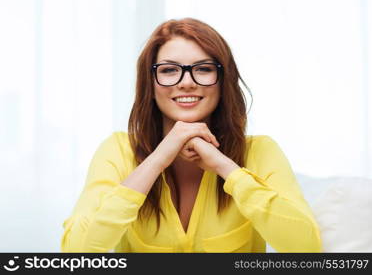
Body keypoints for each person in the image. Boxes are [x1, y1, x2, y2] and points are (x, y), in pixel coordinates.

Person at [61, 18, 322, 253]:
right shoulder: (118, 149)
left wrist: (225, 167)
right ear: (149, 85)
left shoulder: (260, 151)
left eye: (204, 69)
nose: (186, 82)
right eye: (169, 70)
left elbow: (306, 248)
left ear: (223, 82)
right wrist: (158, 158)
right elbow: (76, 253)